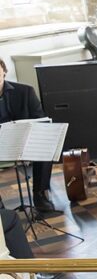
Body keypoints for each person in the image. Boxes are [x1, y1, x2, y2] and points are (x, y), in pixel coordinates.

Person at [0, 59, 56, 213]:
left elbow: (41, 120)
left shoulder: (25, 92)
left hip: (22, 139)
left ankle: (39, 194)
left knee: (45, 147)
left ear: (4, 72)